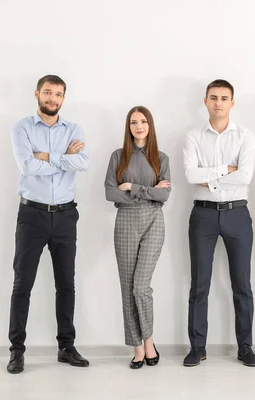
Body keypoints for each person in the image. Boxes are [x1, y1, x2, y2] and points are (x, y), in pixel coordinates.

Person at [7, 75, 90, 374]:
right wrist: (64, 158)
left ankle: (66, 347)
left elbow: (84, 162)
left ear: (64, 98)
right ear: (37, 94)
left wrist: (48, 156)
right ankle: (17, 350)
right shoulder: (23, 128)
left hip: (66, 216)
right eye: (47, 93)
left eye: (58, 94)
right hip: (32, 216)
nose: (52, 98)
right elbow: (27, 166)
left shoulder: (75, 130)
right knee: (22, 285)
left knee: (66, 285)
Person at [182, 79, 255, 367]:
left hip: (238, 213)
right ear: (205, 101)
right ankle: (197, 346)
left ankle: (246, 346)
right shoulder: (192, 136)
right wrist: (226, 170)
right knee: (199, 284)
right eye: (213, 97)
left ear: (232, 103)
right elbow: (190, 175)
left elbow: (246, 176)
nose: (218, 103)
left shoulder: (245, 136)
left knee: (242, 284)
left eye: (224, 98)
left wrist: (210, 178)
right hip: (202, 214)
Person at [105, 106, 171, 369]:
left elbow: (165, 196)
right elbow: (110, 193)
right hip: (125, 222)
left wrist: (132, 187)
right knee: (127, 287)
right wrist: (150, 190)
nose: (139, 126)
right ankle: (137, 347)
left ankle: (149, 341)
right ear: (128, 127)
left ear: (150, 125)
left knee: (141, 287)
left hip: (154, 220)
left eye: (143, 121)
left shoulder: (161, 157)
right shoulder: (118, 156)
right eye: (134, 122)